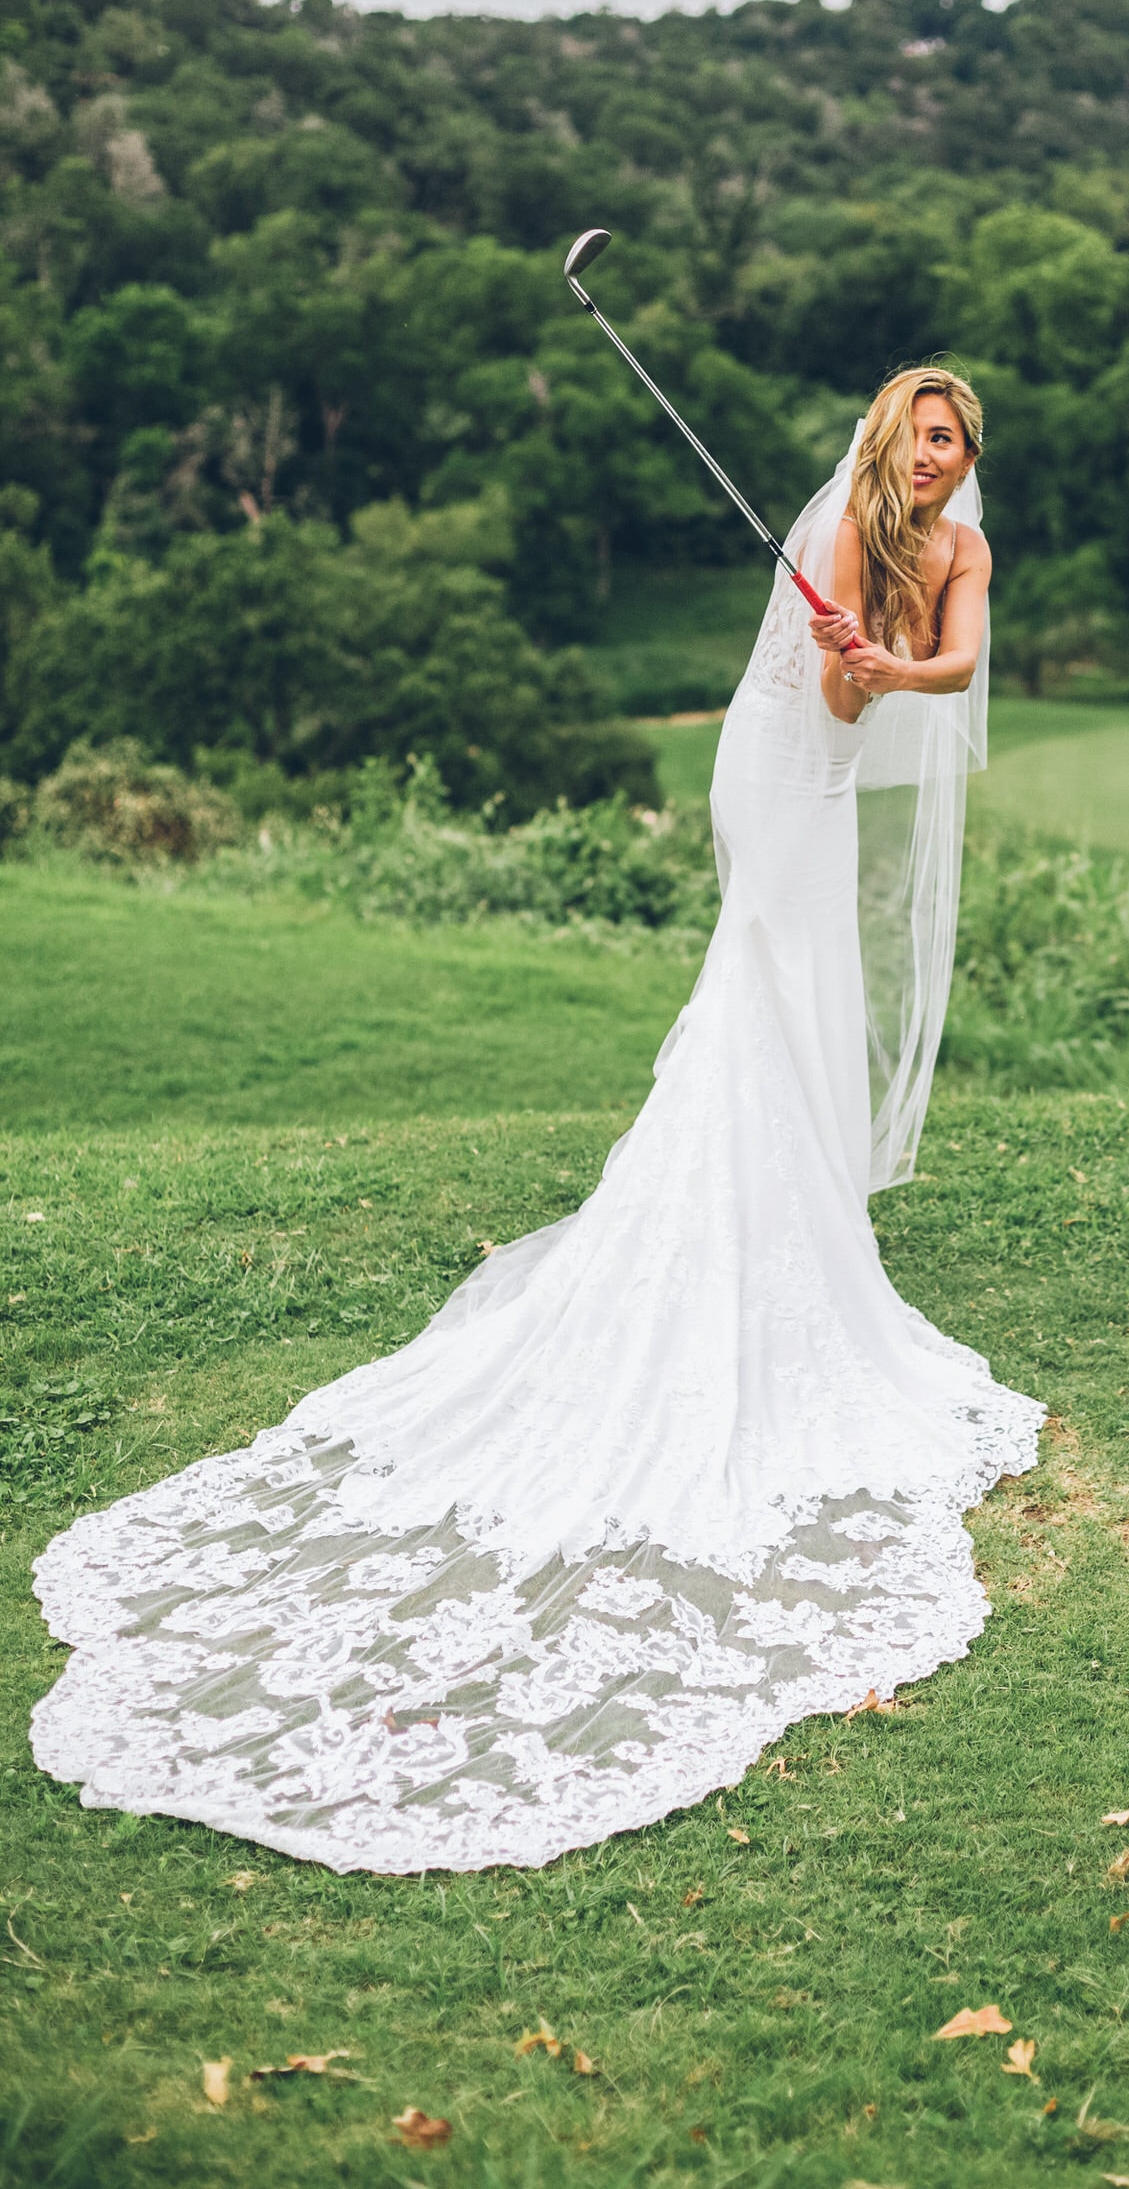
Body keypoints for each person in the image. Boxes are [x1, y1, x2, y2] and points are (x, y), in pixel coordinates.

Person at [30, 367, 1043, 1876]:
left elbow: (953, 673)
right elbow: (825, 693)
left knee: (802, 986)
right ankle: (732, 1210)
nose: (941, 455)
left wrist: (884, 671)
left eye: (959, 438)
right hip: (774, 768)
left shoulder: (958, 550)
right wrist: (846, 658)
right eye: (924, 432)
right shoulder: (838, 531)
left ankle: (783, 1212)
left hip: (832, 772)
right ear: (888, 441)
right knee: (761, 983)